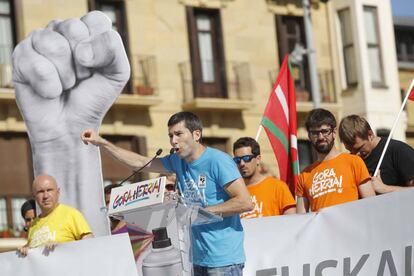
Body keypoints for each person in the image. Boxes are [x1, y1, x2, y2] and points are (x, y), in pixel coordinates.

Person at [81, 111, 253, 275]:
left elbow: (245, 202)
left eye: (179, 134)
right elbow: (140, 162)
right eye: (171, 136)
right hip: (197, 258)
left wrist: (201, 212)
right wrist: (102, 143)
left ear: (196, 135)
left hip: (223, 259)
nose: (173, 141)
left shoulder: (217, 161)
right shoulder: (177, 160)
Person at [296, 109, 376, 213]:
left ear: (334, 132)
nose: (320, 137)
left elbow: (372, 205)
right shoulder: (304, 175)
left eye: (324, 131)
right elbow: (300, 219)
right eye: (315, 133)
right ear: (309, 136)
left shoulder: (354, 162)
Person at [18, 174, 94, 256]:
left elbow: (90, 244)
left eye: (49, 190)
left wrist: (62, 247)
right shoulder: (33, 226)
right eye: (40, 192)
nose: (45, 196)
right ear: (34, 196)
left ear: (58, 192)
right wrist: (25, 250)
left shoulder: (71, 214)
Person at [339, 114, 414, 194]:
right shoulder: (350, 160)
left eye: (359, 149)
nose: (356, 154)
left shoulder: (399, 150)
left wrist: (386, 189)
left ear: (370, 135)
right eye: (350, 150)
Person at [233, 137, 296, 218]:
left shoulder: (278, 187)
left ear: (258, 159)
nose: (242, 163)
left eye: (246, 158)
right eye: (237, 160)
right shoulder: (233, 192)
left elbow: (292, 222)